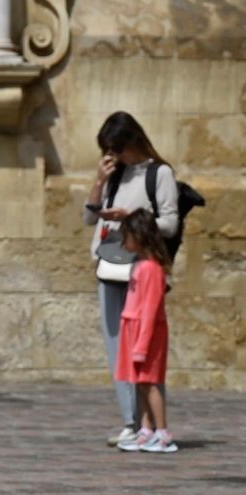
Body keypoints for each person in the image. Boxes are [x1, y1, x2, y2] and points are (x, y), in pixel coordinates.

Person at [81, 112, 179, 448]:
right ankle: (131, 422)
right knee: (117, 348)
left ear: (133, 140)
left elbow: (170, 224)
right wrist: (98, 182)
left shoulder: (159, 173)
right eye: (107, 149)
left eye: (117, 147)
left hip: (140, 269)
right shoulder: (114, 174)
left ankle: (152, 426)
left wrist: (132, 218)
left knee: (144, 348)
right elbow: (87, 218)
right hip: (108, 263)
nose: (113, 154)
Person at [114, 210, 176, 453]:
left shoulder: (151, 269)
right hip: (135, 330)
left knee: (151, 383)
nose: (124, 242)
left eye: (127, 236)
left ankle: (162, 431)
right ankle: (146, 428)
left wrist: (141, 345)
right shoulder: (141, 267)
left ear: (139, 236)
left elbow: (149, 310)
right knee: (140, 382)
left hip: (146, 333)